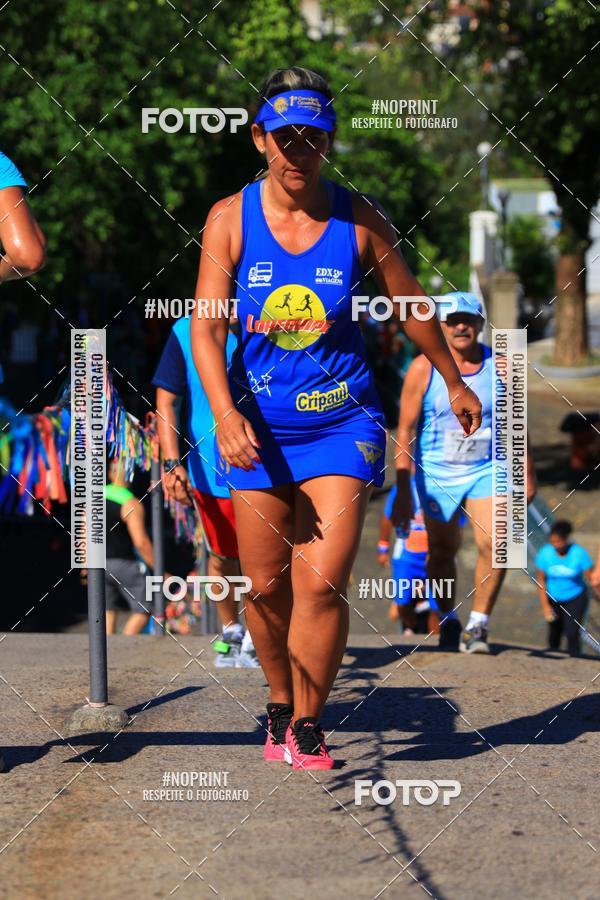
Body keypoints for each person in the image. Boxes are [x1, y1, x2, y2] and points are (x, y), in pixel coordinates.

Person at [190, 66, 481, 770]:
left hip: (342, 425)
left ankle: (311, 724)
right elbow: (205, 328)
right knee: (262, 587)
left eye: (312, 138)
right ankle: (280, 702)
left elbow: (412, 305)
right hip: (256, 428)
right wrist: (224, 414)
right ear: (260, 138)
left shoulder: (357, 219)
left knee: (320, 582)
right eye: (285, 137)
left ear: (329, 141)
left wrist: (453, 378)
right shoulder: (230, 219)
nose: (298, 152)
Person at [392, 292, 537, 654]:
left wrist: (527, 472)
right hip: (437, 472)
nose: (461, 326)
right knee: (442, 550)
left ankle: (478, 625)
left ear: (480, 325)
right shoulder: (423, 368)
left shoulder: (502, 366)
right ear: (441, 327)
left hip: (487, 469)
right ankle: (448, 619)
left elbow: (517, 423)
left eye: (468, 320)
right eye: (453, 320)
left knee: (498, 544)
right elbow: (406, 428)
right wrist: (404, 485)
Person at [152, 314, 259, 667]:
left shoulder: (272, 321)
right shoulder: (185, 330)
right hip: (210, 468)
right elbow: (166, 402)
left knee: (267, 559)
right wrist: (171, 464)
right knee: (223, 555)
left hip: (272, 462)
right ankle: (232, 631)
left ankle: (267, 636)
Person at [377, 478, 439, 635]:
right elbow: (388, 516)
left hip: (434, 555)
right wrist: (383, 546)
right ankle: (414, 627)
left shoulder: (440, 483)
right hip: (406, 556)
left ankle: (438, 645)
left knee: (437, 607)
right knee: (401, 604)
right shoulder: (403, 486)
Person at [104, 458, 155, 635]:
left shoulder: (93, 500)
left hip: (99, 564)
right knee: (145, 608)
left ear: (110, 473)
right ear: (129, 475)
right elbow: (141, 542)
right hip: (124, 564)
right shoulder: (130, 503)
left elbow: (83, 533)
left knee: (107, 610)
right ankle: (125, 643)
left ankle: (107, 653)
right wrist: (159, 568)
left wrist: (84, 565)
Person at [535, 520, 595, 657]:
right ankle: (552, 659)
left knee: (572, 631)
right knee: (554, 630)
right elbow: (541, 581)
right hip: (553, 597)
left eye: (559, 542)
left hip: (576, 597)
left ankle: (575, 659)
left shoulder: (579, 553)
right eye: (553, 542)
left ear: (566, 539)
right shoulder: (545, 553)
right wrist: (545, 606)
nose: (555, 545)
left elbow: (592, 578)